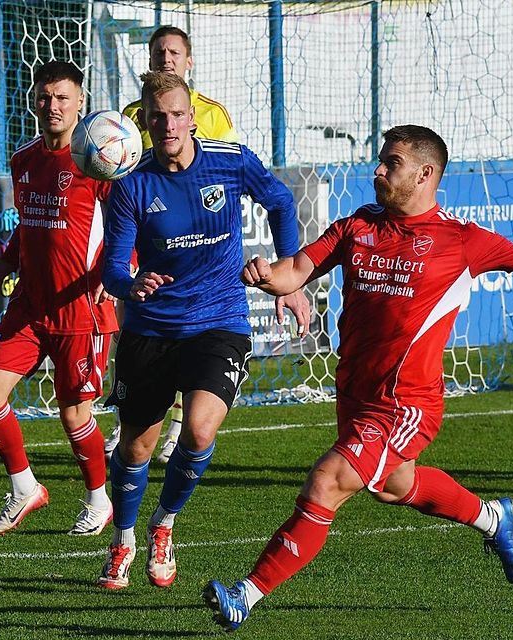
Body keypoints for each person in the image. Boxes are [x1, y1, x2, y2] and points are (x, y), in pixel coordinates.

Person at [203, 124, 513, 631]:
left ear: (425, 173)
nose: (378, 170)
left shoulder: (460, 240)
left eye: (391, 163)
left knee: (327, 481)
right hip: (354, 393)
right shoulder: (356, 227)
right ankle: (493, 518)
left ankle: (245, 594)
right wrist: (267, 277)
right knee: (394, 484)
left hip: (405, 404)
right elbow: (296, 270)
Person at [96, 71, 310, 590]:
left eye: (175, 114)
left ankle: (164, 524)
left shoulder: (230, 160)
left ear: (192, 116)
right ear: (143, 123)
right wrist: (132, 285)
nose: (167, 124)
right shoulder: (129, 183)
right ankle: (123, 536)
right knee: (135, 450)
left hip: (220, 321)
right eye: (156, 117)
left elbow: (281, 203)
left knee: (198, 430)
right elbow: (112, 269)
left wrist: (287, 275)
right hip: (152, 329)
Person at [0, 61, 119, 538]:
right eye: (44, 97)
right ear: (34, 101)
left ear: (80, 104)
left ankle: (99, 501)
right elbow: (28, 230)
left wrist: (111, 273)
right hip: (30, 304)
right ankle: (25, 487)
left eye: (62, 98)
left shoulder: (101, 162)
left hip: (82, 308)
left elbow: (125, 225)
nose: (52, 106)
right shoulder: (25, 158)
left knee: (74, 414)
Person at [107, 24, 240, 465]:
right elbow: (112, 166)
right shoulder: (127, 116)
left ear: (189, 60)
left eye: (175, 51)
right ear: (149, 59)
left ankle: (183, 418)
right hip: (141, 224)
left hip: (194, 227)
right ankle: (137, 406)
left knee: (194, 320)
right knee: (133, 303)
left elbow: (226, 169)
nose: (167, 57)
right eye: (159, 51)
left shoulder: (213, 112)